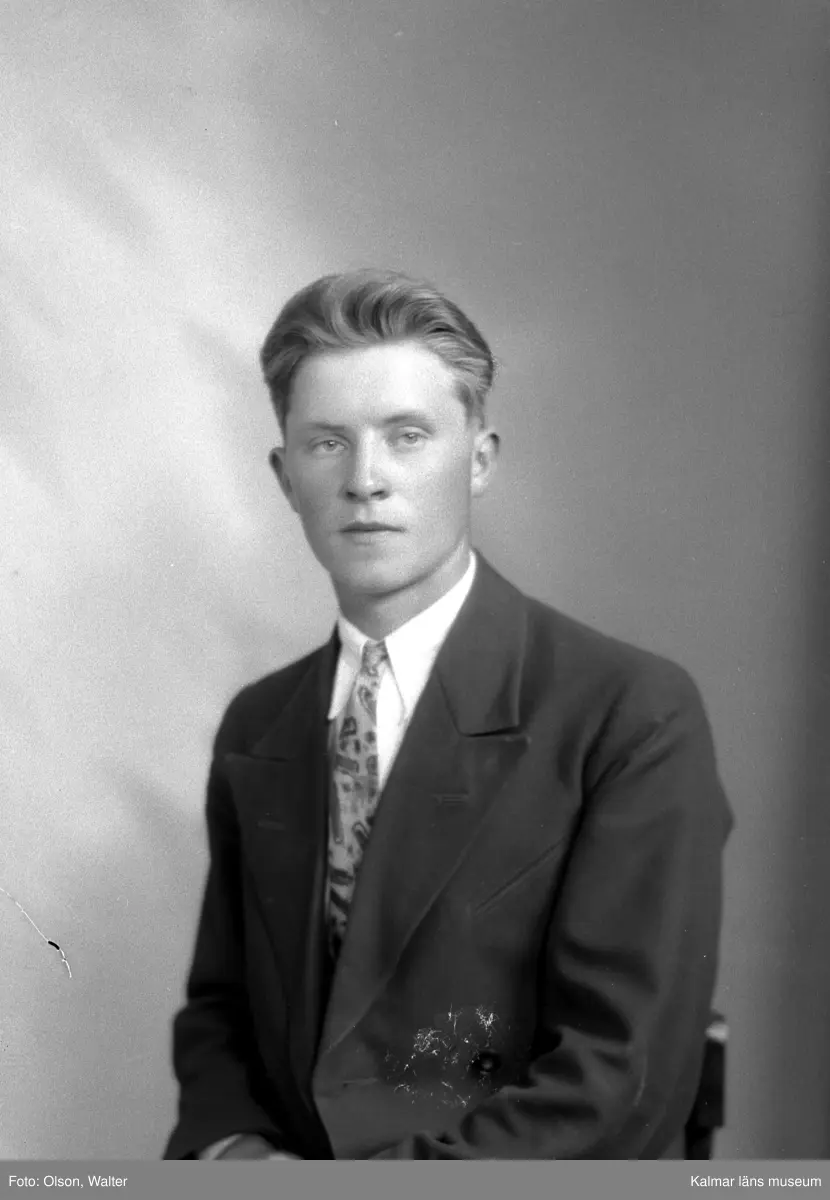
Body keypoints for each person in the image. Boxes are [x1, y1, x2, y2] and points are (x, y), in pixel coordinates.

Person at [163, 268, 732, 1160]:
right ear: (284, 477)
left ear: (479, 460)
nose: (365, 481)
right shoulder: (260, 724)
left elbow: (620, 1082)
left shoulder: (630, 715)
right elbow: (220, 1012)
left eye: (407, 436)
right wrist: (234, 1156)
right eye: (327, 443)